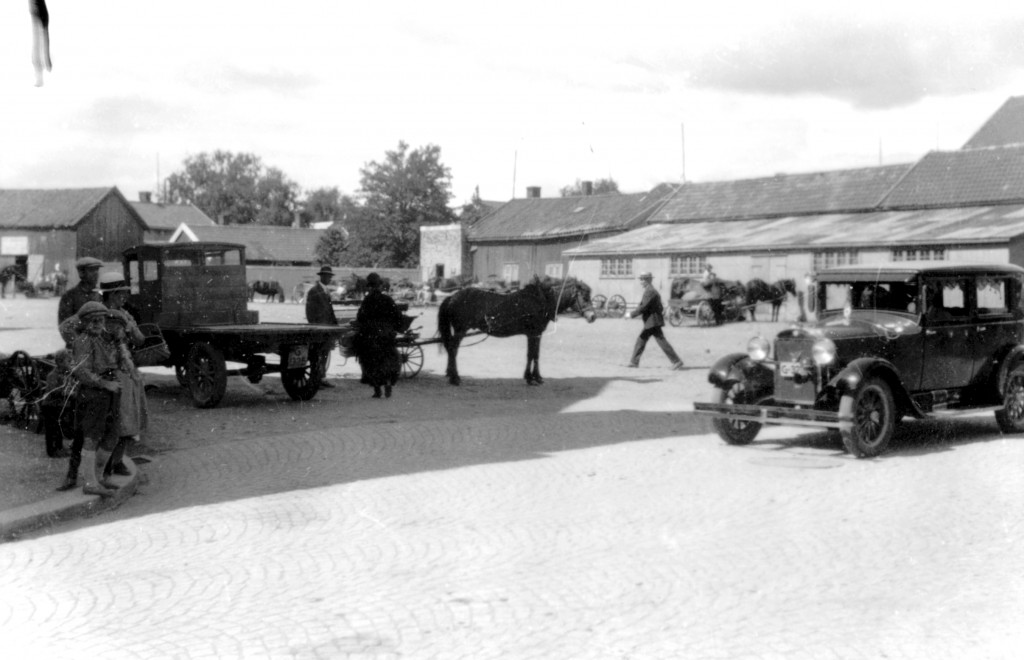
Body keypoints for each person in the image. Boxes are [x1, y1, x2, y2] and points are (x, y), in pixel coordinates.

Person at [67, 301, 121, 497]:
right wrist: (104, 383)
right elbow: (82, 371)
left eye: (101, 320)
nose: (98, 324)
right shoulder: (82, 341)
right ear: (85, 322)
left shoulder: (102, 339)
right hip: (93, 393)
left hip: (110, 391)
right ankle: (90, 482)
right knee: (92, 436)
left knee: (112, 434)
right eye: (94, 320)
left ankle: (99, 477)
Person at [354, 272, 404, 398]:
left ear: (370, 286)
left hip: (371, 336)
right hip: (386, 335)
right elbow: (398, 316)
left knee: (370, 361)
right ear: (380, 286)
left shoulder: (367, 300)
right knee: (388, 360)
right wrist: (394, 329)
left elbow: (360, 317)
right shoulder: (387, 299)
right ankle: (388, 384)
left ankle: (377, 389)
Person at [624, 272, 684, 370]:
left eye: (643, 279)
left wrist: (630, 314)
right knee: (643, 339)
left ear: (648, 280)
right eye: (641, 279)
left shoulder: (650, 291)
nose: (641, 281)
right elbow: (657, 307)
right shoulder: (650, 290)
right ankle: (634, 362)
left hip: (652, 322)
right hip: (652, 321)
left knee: (658, 340)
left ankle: (676, 361)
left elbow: (643, 307)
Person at [305, 265, 338, 387]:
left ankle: (322, 378)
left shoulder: (326, 291)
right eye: (328, 276)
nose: (329, 279)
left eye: (330, 276)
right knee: (317, 354)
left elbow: (330, 310)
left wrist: (335, 326)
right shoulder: (314, 291)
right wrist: (315, 326)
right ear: (322, 276)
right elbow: (309, 311)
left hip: (327, 328)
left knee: (325, 353)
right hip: (319, 329)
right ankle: (316, 379)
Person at [40, 349, 74, 459]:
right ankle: (51, 451)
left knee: (59, 427)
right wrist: (67, 393)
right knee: (51, 429)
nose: (70, 364)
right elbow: (53, 391)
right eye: (68, 361)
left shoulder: (65, 374)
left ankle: (59, 447)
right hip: (50, 406)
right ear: (60, 362)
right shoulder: (52, 375)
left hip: (59, 406)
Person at [57, 256, 103, 324]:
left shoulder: (101, 294)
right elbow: (64, 325)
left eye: (97, 269)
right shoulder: (69, 296)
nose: (96, 273)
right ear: (81, 273)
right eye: (91, 270)